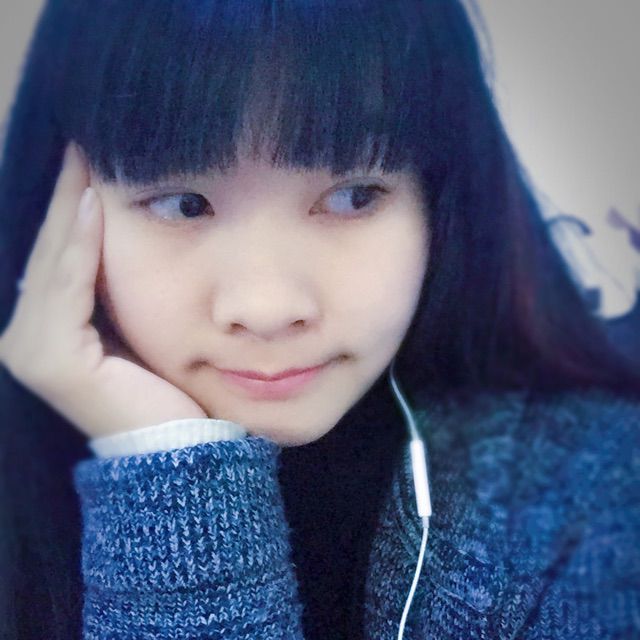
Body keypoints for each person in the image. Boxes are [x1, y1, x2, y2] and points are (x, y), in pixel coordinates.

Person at [0, 1, 638, 638]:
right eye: (183, 204)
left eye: (353, 196)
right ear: (59, 206)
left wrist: (167, 484)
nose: (268, 309)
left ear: (440, 201)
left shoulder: (589, 494)